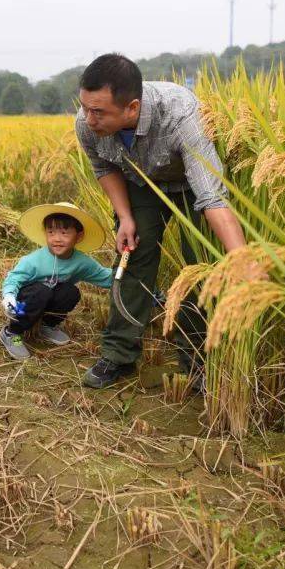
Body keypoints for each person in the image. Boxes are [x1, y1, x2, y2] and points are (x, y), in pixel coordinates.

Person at [75, 54, 247, 389]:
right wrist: (124, 217)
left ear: (132, 108)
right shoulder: (86, 123)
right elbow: (104, 168)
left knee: (200, 268)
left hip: (190, 185)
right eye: (85, 107)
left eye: (99, 112)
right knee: (133, 256)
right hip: (141, 183)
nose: (88, 118)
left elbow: (211, 197)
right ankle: (119, 354)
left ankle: (199, 361)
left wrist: (242, 260)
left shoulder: (181, 115)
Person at [0, 203, 112, 361]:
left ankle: (47, 326)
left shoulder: (81, 261)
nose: (57, 239)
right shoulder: (34, 261)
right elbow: (14, 278)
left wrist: (134, 279)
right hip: (24, 303)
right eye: (51, 232)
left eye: (64, 233)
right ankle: (12, 334)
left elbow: (106, 277)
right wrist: (9, 296)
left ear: (78, 236)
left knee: (70, 292)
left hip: (47, 299)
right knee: (41, 291)